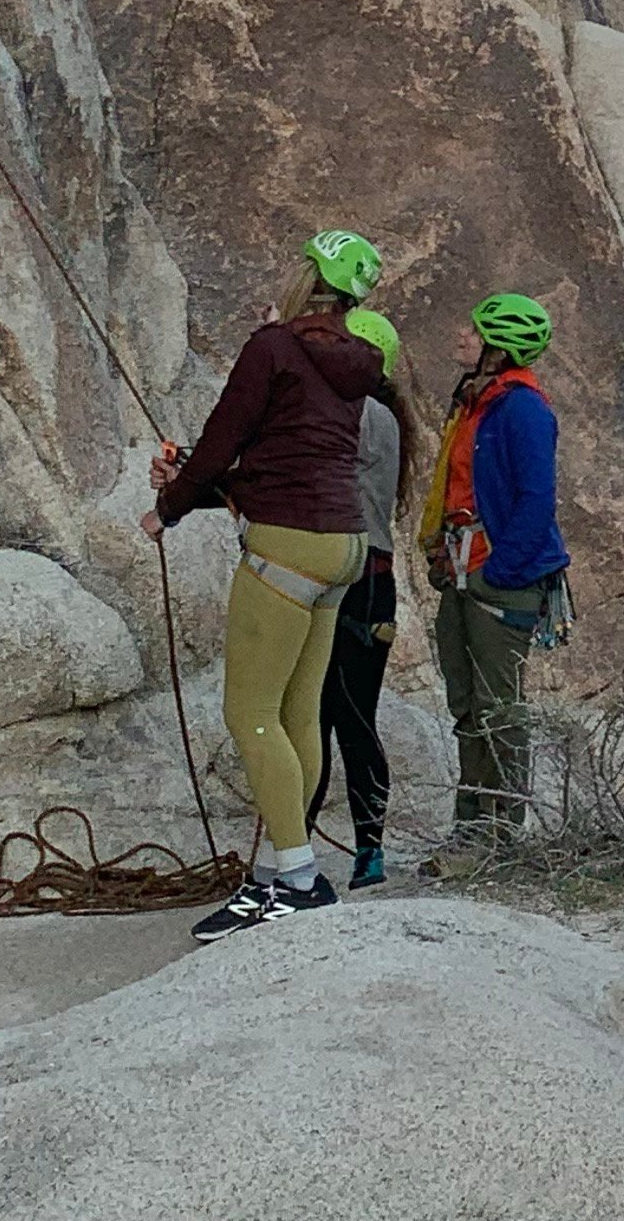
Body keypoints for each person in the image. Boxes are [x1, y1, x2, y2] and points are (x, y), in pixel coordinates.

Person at [145, 231, 391, 937]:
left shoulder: (273, 347)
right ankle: (277, 874)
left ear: (306, 273)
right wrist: (201, 485)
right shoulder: (360, 361)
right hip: (343, 545)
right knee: (297, 715)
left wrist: (168, 506)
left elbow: (231, 436)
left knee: (250, 713)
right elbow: (288, 452)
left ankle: (301, 878)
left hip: (284, 544)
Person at [420, 292, 570, 866]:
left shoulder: (523, 409)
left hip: (492, 575)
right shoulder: (480, 402)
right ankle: (471, 826)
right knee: (467, 703)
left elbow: (538, 498)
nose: (461, 336)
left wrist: (497, 571)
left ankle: (500, 833)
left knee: (498, 706)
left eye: (474, 330)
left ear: (497, 347)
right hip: (464, 569)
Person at [315, 297, 415, 891]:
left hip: (352, 581)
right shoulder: (378, 413)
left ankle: (341, 847)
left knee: (332, 718)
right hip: (369, 581)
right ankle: (361, 849)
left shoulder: (363, 417)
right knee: (342, 717)